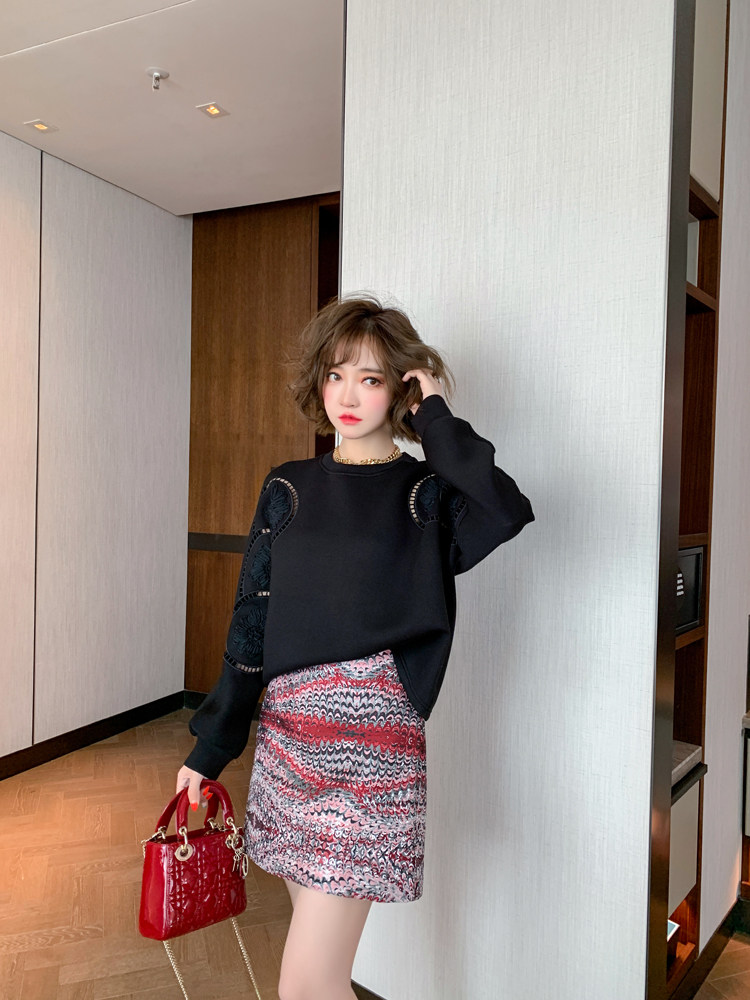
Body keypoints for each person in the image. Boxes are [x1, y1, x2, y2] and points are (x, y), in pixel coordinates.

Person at [175, 293, 535, 1000]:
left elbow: (505, 507)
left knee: (304, 984)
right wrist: (210, 748)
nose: (347, 395)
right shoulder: (288, 486)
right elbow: (251, 624)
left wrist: (435, 417)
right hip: (287, 745)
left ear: (399, 388)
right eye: (335, 375)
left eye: (370, 379)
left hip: (373, 751)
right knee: (322, 979)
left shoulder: (426, 494)